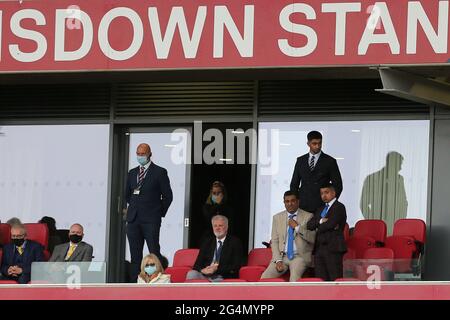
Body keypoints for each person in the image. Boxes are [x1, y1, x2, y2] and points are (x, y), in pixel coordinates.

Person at [125, 143, 173, 282]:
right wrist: (134, 207)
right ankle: (136, 284)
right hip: (133, 219)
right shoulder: (132, 173)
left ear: (150, 154)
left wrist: (158, 213)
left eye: (143, 154)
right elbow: (127, 195)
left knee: (154, 253)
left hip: (151, 219)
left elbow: (168, 196)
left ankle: (158, 282)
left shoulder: (159, 172)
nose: (140, 156)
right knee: (135, 256)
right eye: (138, 154)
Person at [261, 190, 316, 282]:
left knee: (294, 280)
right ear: (284, 203)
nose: (290, 204)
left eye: (293, 201)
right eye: (287, 201)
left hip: (299, 256)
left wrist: (297, 227)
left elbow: (312, 238)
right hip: (282, 257)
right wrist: (278, 260)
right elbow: (274, 241)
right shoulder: (277, 218)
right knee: (264, 278)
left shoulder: (308, 216)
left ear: (298, 201)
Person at [290, 131, 343, 213]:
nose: (317, 146)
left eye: (319, 143)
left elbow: (338, 185)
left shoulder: (330, 161)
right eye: (314, 143)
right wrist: (296, 203)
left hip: (322, 206)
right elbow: (294, 184)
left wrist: (330, 204)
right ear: (308, 143)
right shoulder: (300, 160)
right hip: (303, 206)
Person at [307, 183, 347, 281]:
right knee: (321, 280)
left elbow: (331, 224)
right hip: (319, 248)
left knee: (334, 279)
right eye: (321, 193)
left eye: (326, 192)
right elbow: (309, 225)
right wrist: (321, 221)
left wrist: (318, 226)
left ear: (333, 193)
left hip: (333, 248)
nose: (324, 195)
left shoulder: (339, 207)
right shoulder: (321, 209)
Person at [186, 215, 244, 282]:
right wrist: (203, 270)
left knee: (217, 282)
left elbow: (236, 266)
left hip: (222, 276)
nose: (217, 228)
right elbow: (196, 265)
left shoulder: (235, 242)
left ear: (226, 227)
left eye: (220, 226)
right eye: (215, 226)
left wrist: (216, 269)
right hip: (206, 275)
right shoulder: (207, 242)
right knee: (191, 274)